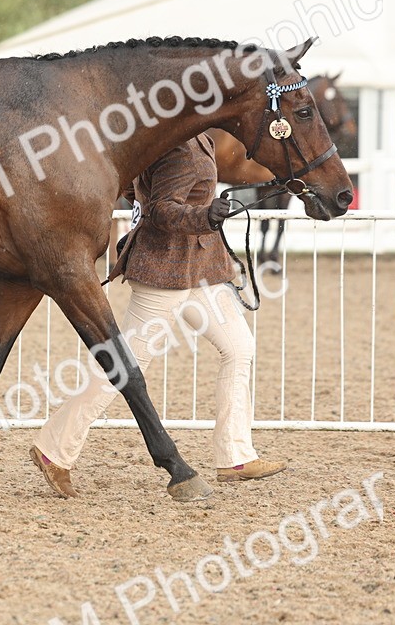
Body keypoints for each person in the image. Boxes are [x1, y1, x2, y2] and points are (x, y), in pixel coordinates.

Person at [30, 134, 285, 498]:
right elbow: (161, 209)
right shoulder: (177, 146)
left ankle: (236, 456)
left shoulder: (196, 137)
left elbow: (135, 188)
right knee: (123, 368)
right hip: (165, 272)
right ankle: (54, 449)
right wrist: (203, 215)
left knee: (239, 347)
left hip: (200, 271)